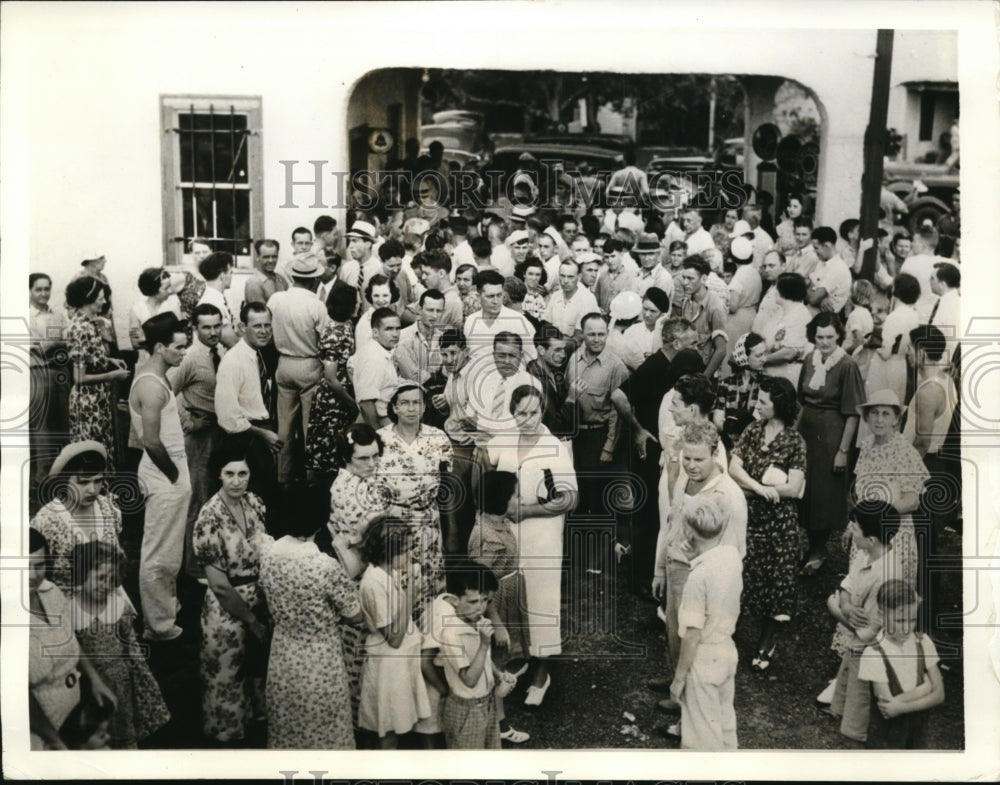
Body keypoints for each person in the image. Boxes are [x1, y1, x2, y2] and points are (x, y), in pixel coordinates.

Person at [480, 384, 578, 705]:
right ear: (512, 412)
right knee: (508, 597)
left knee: (541, 600)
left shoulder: (554, 447)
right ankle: (515, 660)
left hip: (542, 536)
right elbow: (484, 457)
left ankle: (542, 672)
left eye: (534, 412)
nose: (528, 419)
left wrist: (527, 510)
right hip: (507, 535)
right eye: (521, 413)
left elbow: (570, 498)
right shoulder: (505, 439)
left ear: (542, 410)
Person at [258, 482, 363, 749]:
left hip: (282, 653)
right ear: (320, 520)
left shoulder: (268, 554)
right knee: (325, 732)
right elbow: (354, 615)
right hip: (321, 659)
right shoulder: (324, 566)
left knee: (288, 727)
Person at [728, 376, 807, 671]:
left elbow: (794, 488)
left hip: (780, 522)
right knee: (743, 573)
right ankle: (728, 632)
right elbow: (734, 466)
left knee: (776, 579)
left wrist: (750, 489)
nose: (757, 405)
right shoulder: (752, 429)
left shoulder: (795, 441)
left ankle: (767, 639)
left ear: (780, 405)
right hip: (749, 516)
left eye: (763, 401)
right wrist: (760, 488)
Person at [192, 441, 269, 745]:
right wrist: (252, 621)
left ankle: (259, 727)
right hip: (228, 608)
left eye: (243, 473)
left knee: (257, 671)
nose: (237, 481)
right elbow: (220, 585)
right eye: (230, 474)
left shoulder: (256, 503)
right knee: (226, 675)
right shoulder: (208, 518)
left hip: (260, 599)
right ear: (218, 475)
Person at [68, 540, 170, 748]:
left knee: (123, 728)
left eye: (111, 579)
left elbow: (131, 646)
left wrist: (143, 682)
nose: (105, 585)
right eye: (100, 578)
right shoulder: (70, 609)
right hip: (88, 684)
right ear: (82, 573)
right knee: (93, 732)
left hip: (120, 679)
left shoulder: (117, 605)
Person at [129, 312, 192, 641]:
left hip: (170, 467)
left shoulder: (157, 375)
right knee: (159, 554)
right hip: (163, 471)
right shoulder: (151, 386)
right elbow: (150, 441)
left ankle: (165, 607)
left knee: (169, 551)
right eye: (178, 348)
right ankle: (158, 627)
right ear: (158, 348)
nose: (183, 353)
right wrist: (174, 475)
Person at [825, 499, 907, 746]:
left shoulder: (888, 575)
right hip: (857, 650)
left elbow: (870, 631)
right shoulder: (866, 554)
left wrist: (834, 609)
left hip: (872, 660)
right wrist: (847, 606)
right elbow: (846, 587)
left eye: (856, 527)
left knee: (860, 722)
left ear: (871, 538)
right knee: (850, 712)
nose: (851, 529)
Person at [27, 528, 117, 751]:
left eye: (39, 565)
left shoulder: (51, 592)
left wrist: (94, 679)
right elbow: (15, 695)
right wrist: (56, 741)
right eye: (23, 566)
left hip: (76, 715)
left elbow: (69, 640)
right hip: (42, 734)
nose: (32, 575)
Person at [668, 495, 743, 750]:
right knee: (724, 722)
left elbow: (692, 635)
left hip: (704, 656)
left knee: (701, 734)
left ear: (689, 531)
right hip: (727, 649)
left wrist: (679, 677)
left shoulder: (697, 578)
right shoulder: (732, 557)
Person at [377, 383, 453, 622]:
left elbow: (447, 486)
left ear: (424, 407)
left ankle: (429, 646)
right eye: (405, 403)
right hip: (393, 524)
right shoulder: (381, 440)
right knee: (397, 585)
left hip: (429, 523)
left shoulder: (437, 437)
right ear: (395, 407)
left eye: (417, 403)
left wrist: (452, 530)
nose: (411, 408)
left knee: (430, 588)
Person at [797, 312, 866, 575]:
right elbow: (803, 401)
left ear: (838, 336)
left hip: (832, 437)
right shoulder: (809, 359)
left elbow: (852, 413)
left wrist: (843, 451)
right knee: (806, 491)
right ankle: (811, 546)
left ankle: (818, 550)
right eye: (819, 337)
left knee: (823, 495)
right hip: (807, 432)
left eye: (829, 337)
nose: (824, 342)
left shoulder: (847, 365)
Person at [356, 517, 431, 748]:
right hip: (389, 665)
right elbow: (395, 638)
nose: (410, 556)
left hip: (400, 662)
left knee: (399, 723)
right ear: (388, 552)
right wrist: (410, 594)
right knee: (387, 729)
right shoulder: (373, 583)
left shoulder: (390, 574)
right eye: (405, 550)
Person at [172, 302, 227, 581]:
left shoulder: (223, 352)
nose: (213, 332)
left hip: (222, 431)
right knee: (198, 500)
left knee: (219, 496)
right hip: (200, 436)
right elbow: (165, 393)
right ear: (195, 329)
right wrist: (189, 422)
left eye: (217, 325)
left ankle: (214, 559)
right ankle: (193, 568)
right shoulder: (190, 357)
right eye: (206, 327)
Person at [214, 302, 282, 519]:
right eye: (257, 326)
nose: (263, 331)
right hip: (245, 439)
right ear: (243, 327)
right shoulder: (233, 361)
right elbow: (227, 416)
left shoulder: (258, 354)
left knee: (264, 502)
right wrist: (262, 434)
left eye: (267, 325)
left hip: (261, 434)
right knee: (249, 503)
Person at [858, 579, 946, 748]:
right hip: (886, 744)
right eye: (899, 621)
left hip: (918, 739)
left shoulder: (923, 642)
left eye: (912, 620)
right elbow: (887, 707)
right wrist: (926, 688)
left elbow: (940, 695)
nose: (907, 628)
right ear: (882, 616)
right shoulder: (874, 654)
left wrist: (901, 707)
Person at [30, 441, 123, 590]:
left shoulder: (108, 507)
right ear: (64, 482)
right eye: (83, 483)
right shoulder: (47, 521)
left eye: (98, 481)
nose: (92, 490)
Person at [435, 561, 507, 749]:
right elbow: (469, 679)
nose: (480, 608)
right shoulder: (450, 634)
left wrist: (498, 674)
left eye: (484, 600)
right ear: (453, 600)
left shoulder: (476, 620)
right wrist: (484, 644)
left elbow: (483, 660)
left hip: (487, 700)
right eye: (473, 601)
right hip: (466, 709)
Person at [65, 276, 129, 466]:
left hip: (97, 400)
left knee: (102, 449)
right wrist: (112, 375)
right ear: (88, 298)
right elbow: (79, 377)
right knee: (92, 455)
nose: (104, 301)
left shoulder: (90, 323)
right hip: (87, 403)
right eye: (100, 297)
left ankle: (103, 494)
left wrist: (109, 360)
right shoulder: (80, 328)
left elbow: (87, 357)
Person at [305, 281, 360, 480]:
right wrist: (351, 403)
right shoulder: (335, 333)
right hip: (333, 401)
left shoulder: (345, 325)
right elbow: (330, 378)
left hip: (339, 398)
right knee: (329, 453)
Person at [29, 273, 71, 486]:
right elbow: (34, 349)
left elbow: (67, 340)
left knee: (63, 421)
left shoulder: (57, 313)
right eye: (39, 289)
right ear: (29, 291)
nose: (44, 294)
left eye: (47, 289)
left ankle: (63, 473)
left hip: (61, 372)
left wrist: (50, 343)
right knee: (43, 425)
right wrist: (52, 343)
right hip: (37, 373)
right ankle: (43, 478)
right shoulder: (27, 316)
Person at [463, 269, 537, 362]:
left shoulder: (518, 321)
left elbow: (532, 359)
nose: (496, 301)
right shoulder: (470, 321)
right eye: (490, 296)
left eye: (499, 295)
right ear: (478, 296)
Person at [350, 307, 401, 429]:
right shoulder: (372, 357)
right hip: (379, 421)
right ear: (375, 332)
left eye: (397, 328)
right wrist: (378, 435)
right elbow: (366, 403)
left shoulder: (381, 350)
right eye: (388, 329)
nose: (395, 334)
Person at [711, 332, 767, 443]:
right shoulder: (726, 383)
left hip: (756, 442)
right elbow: (718, 420)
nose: (764, 359)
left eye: (764, 354)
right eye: (758, 355)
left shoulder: (766, 384)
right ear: (745, 357)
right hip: (728, 440)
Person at [677, 255, 727, 379]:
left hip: (703, 370)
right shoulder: (686, 300)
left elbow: (721, 350)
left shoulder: (716, 307)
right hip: (685, 366)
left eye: (690, 278)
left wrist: (703, 379)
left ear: (704, 278)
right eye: (683, 277)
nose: (684, 283)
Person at [757, 272, 811, 385]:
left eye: (777, 287)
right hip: (770, 373)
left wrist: (761, 360)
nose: (774, 291)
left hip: (787, 377)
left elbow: (789, 353)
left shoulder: (800, 315)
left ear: (786, 291)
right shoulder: (781, 311)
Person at [723, 237, 762, 372]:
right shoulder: (755, 272)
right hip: (752, 314)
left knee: (734, 352)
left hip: (738, 320)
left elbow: (733, 306)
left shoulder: (739, 276)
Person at [128, 267, 182, 360]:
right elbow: (136, 343)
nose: (170, 291)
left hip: (172, 357)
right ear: (153, 289)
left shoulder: (173, 304)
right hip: (148, 358)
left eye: (170, 286)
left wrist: (147, 338)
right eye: (166, 288)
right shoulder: (137, 309)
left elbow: (179, 336)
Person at [542, 259, 599, 345]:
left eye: (570, 277)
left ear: (579, 277)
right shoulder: (555, 296)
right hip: (555, 346)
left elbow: (579, 338)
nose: (565, 281)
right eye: (562, 276)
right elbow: (546, 325)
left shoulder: (588, 299)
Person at [395, 289, 445, 384]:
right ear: (419, 309)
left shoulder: (442, 337)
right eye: (430, 310)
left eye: (439, 311)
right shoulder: (403, 337)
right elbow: (413, 376)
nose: (434, 316)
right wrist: (440, 378)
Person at [806, 226, 852, 317]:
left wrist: (805, 288)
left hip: (823, 319)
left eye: (816, 248)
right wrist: (820, 298)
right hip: (811, 311)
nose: (815, 252)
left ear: (826, 246)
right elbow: (809, 286)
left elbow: (813, 299)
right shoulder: (822, 262)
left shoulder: (838, 268)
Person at [197, 252, 238, 348]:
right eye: (230, 272)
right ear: (223, 275)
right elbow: (231, 341)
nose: (231, 276)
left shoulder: (214, 297)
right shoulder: (213, 301)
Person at [355, 273, 401, 346]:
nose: (381, 300)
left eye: (385, 295)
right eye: (376, 296)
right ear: (370, 296)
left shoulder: (391, 315)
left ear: (392, 295)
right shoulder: (366, 323)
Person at [244, 239, 288, 305]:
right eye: (266, 257)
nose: (271, 261)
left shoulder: (281, 280)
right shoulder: (254, 283)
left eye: (274, 257)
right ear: (258, 257)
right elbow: (260, 313)